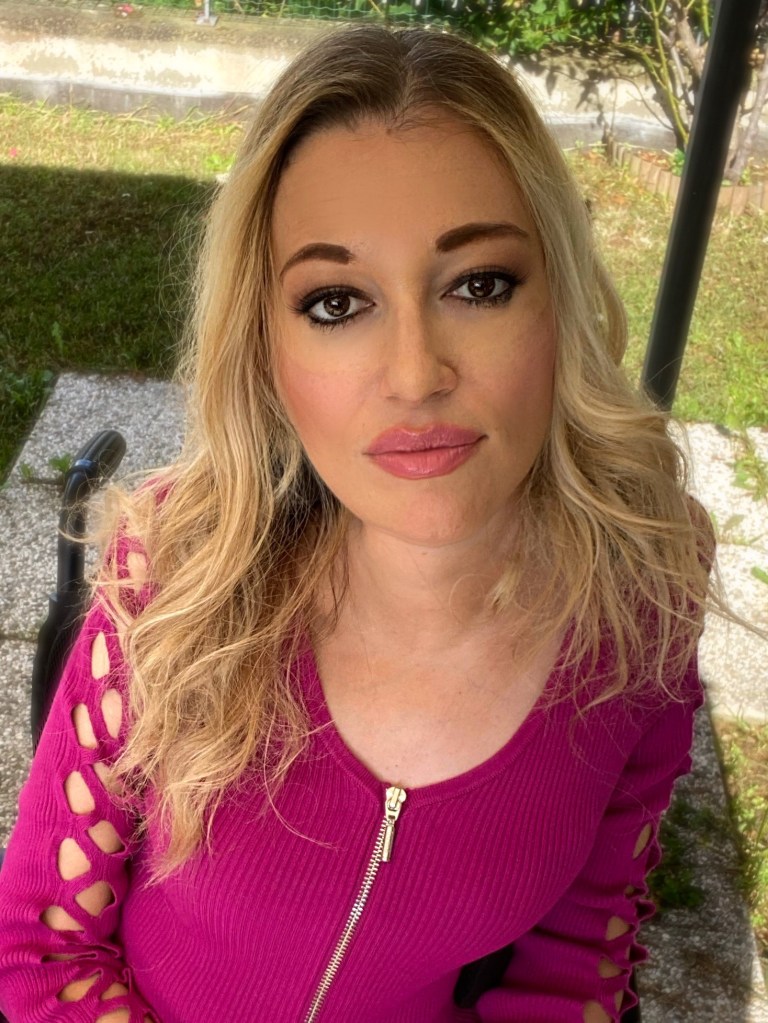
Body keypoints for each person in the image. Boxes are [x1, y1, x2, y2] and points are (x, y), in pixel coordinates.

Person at [0, 24, 716, 1023]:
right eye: (337, 302)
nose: (417, 375)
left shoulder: (640, 611)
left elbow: (579, 956)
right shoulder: (172, 571)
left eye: (480, 284)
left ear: (559, 303)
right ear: (264, 348)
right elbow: (42, 948)